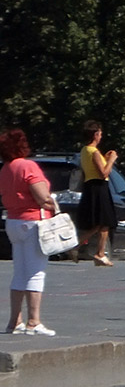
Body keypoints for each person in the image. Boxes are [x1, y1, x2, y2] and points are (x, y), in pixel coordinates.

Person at [0, 129, 58, 336]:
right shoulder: (28, 166)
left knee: (19, 273)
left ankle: (14, 322)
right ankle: (34, 321)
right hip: (33, 222)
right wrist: (55, 203)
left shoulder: (6, 169)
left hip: (13, 222)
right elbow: (42, 197)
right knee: (35, 272)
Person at [76, 119, 118, 266]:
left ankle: (80, 247)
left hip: (90, 186)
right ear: (95, 135)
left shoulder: (84, 151)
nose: (101, 136)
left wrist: (105, 159)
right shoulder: (94, 152)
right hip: (99, 187)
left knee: (101, 223)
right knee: (104, 221)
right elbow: (103, 173)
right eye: (99, 133)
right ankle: (98, 253)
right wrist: (112, 160)